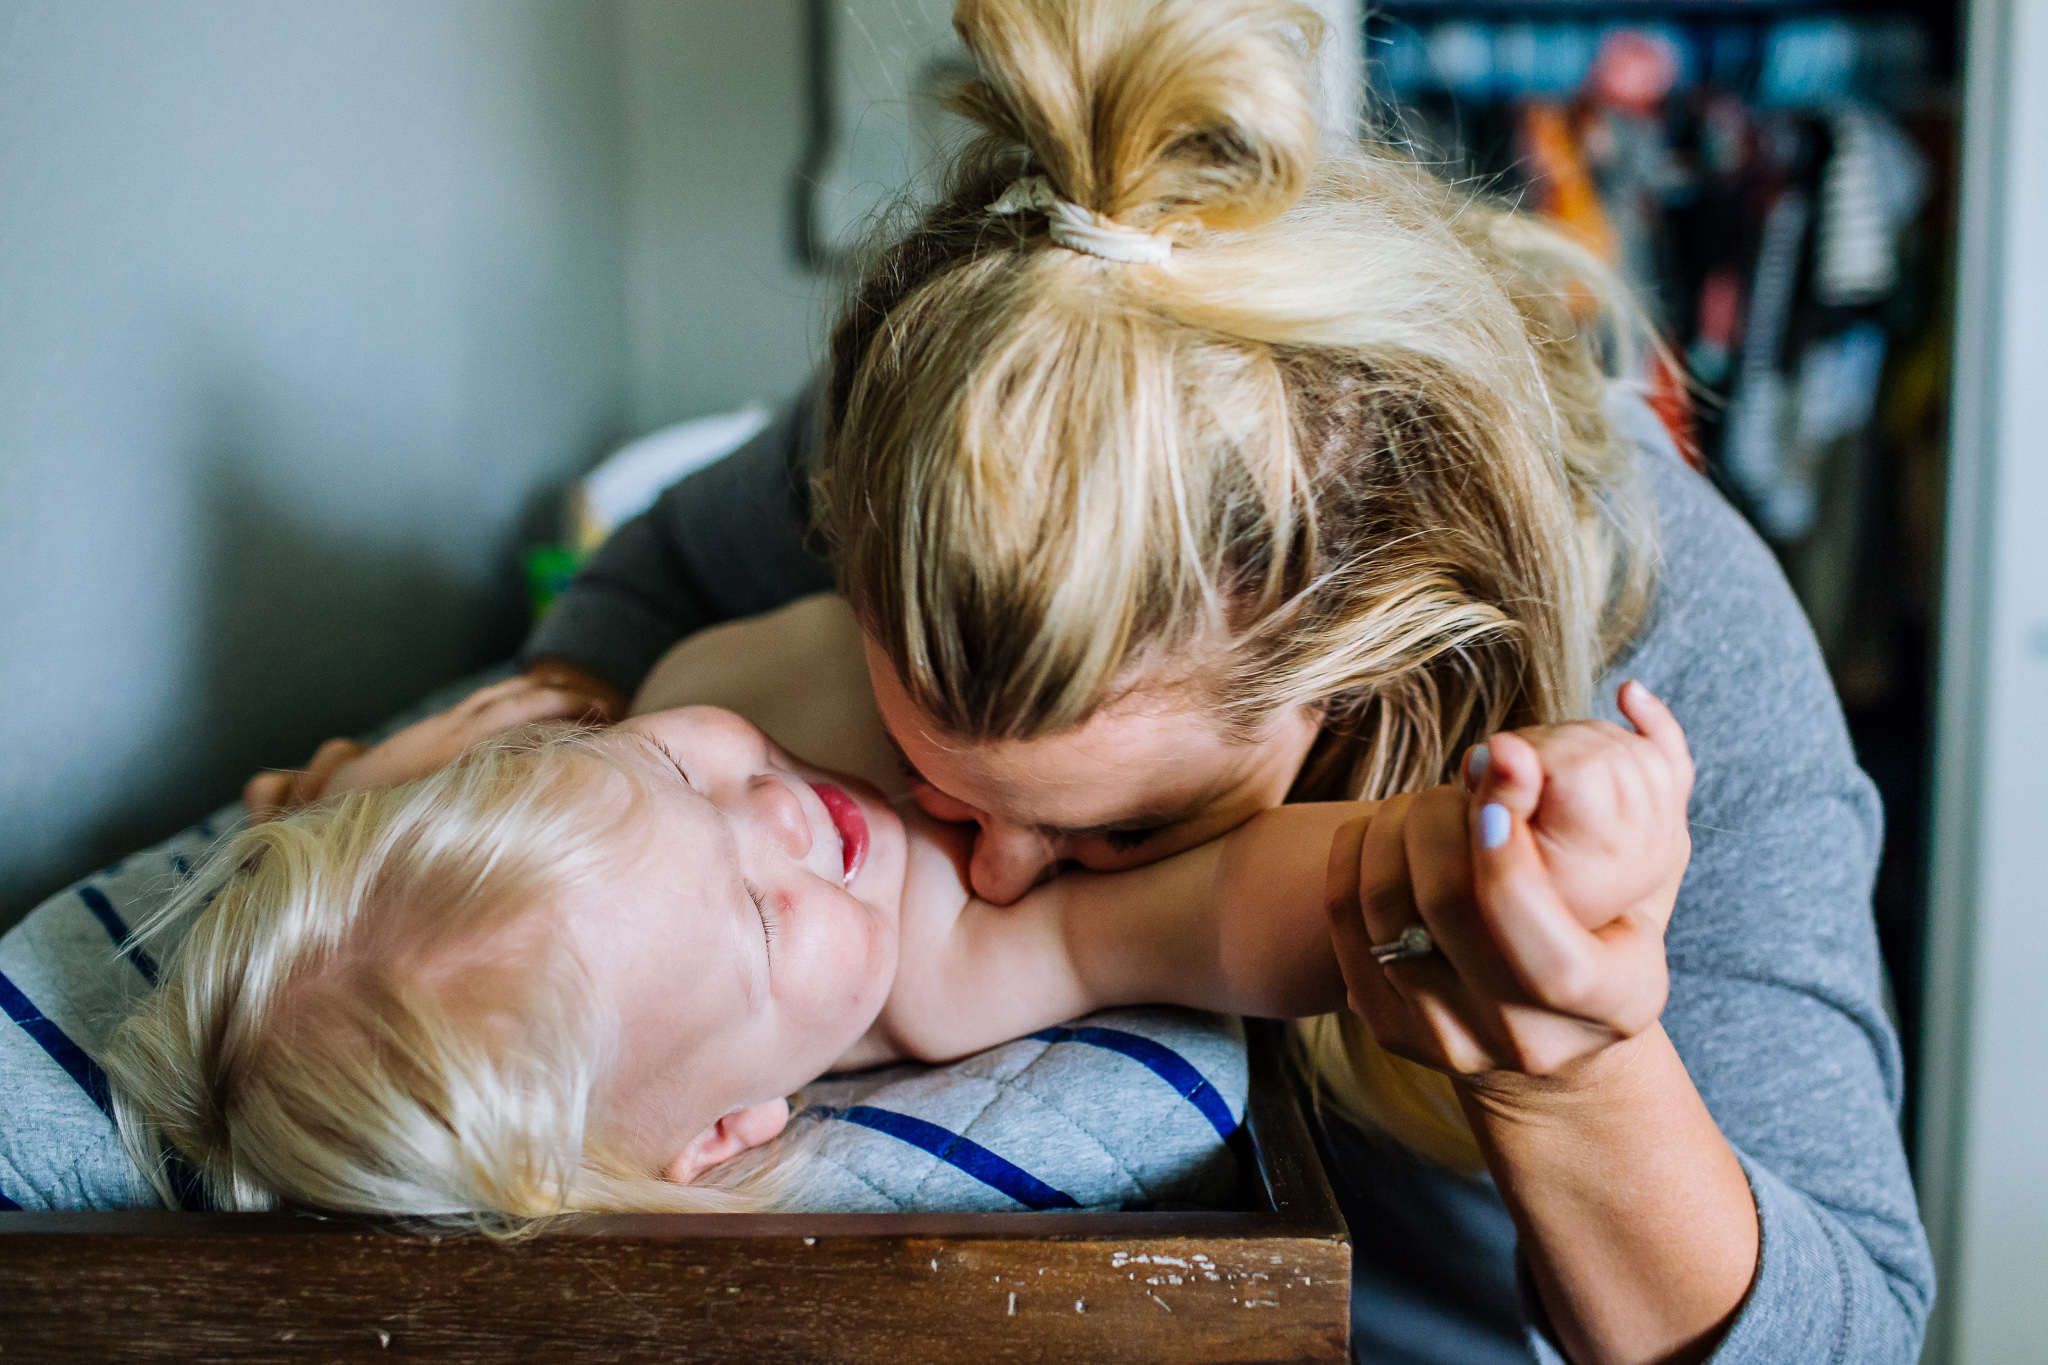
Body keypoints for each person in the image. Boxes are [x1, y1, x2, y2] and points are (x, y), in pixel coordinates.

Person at [252, 2, 1932, 1361]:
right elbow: (660, 576)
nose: (973, 869)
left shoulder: (1683, 652)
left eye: (1102, 831)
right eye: (925, 780)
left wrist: (1567, 1050)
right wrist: (539, 712)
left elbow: (1854, 1329)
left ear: (1362, 681)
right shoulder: (975, 424)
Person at [112, 669, 1694, 1228]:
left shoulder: (596, 757)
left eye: (681, 770)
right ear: (729, 1129)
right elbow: (1214, 912)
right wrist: (1464, 844)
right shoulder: (945, 963)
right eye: (752, 917)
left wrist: (363, 788)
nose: (789, 815)